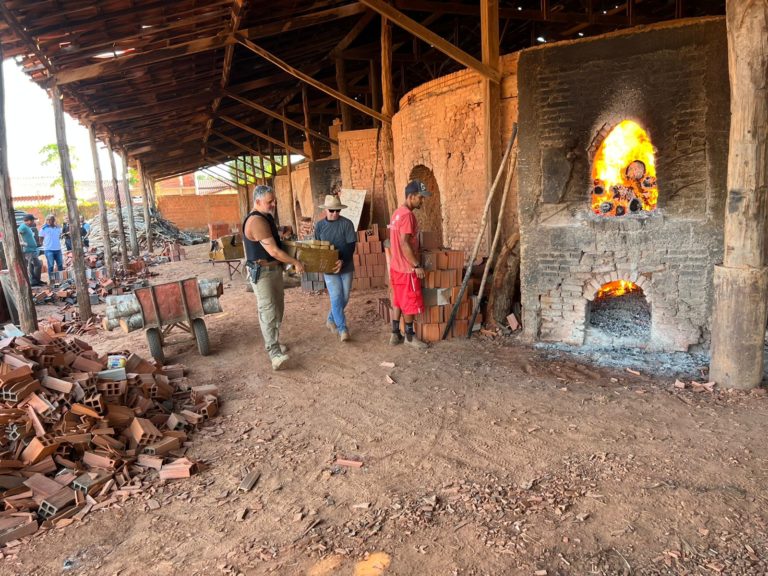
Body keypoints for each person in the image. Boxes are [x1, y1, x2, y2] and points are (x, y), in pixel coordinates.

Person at [243, 185, 305, 370]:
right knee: (268, 311)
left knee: (278, 308)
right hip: (262, 273)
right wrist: (296, 262)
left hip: (273, 270)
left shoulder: (266, 217)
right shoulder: (256, 221)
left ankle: (275, 341)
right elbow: (274, 251)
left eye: (274, 200)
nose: (273, 204)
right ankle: (274, 353)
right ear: (258, 202)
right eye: (270, 202)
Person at [388, 179, 431, 349]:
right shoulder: (408, 216)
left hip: (395, 266)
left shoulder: (397, 213)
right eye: (420, 198)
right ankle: (410, 337)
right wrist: (416, 265)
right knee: (410, 303)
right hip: (406, 269)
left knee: (398, 300)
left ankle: (394, 333)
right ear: (411, 196)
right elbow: (404, 243)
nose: (422, 201)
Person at [314, 195, 357, 342]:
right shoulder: (319, 226)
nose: (335, 214)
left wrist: (342, 261)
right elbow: (317, 246)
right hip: (329, 267)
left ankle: (331, 318)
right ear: (326, 210)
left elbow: (351, 245)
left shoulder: (347, 224)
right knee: (336, 297)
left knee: (344, 298)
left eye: (338, 211)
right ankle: (343, 329)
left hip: (347, 265)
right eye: (332, 210)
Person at [18, 214, 43, 286]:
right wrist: (21, 242)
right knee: (35, 265)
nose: (33, 222)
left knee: (34, 265)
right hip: (28, 250)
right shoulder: (23, 226)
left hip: (32, 249)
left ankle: (36, 281)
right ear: (28, 221)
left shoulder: (27, 227)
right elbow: (17, 234)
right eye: (32, 220)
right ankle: (33, 281)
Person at [39, 214, 64, 282]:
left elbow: (60, 236)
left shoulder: (58, 228)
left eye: (50, 219)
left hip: (58, 249)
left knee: (60, 265)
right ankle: (52, 280)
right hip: (49, 250)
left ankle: (61, 279)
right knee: (51, 265)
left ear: (53, 220)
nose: (49, 221)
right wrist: (44, 245)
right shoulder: (43, 229)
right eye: (47, 219)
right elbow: (40, 239)